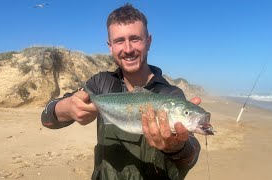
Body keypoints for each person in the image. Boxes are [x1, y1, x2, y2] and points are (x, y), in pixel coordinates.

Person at [41, 4, 201, 180]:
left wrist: (176, 148)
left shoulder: (170, 95)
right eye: (119, 41)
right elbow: (47, 117)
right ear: (110, 46)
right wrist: (68, 107)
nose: (128, 49)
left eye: (135, 39)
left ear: (149, 41)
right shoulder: (101, 84)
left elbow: (191, 156)